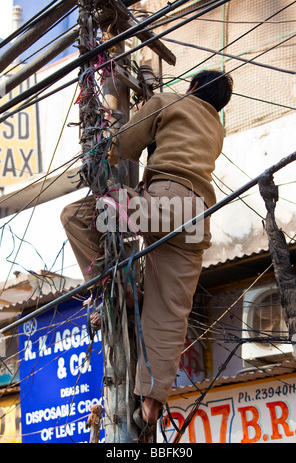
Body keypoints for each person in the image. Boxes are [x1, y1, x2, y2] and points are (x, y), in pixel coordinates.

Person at [61, 69, 233, 432]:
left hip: (161, 206)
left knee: (77, 216)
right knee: (170, 312)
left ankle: (115, 288)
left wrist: (103, 155)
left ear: (194, 87)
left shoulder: (171, 101)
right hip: (195, 218)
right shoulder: (216, 131)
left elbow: (122, 145)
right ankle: (152, 404)